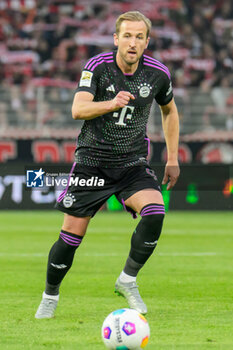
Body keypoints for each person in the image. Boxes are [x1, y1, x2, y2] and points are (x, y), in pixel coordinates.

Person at [35, 11, 180, 319]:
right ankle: (50, 295)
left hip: (132, 164)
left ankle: (127, 279)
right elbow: (78, 109)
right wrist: (111, 103)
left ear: (146, 42)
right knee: (71, 237)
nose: (133, 42)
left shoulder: (157, 74)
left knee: (155, 212)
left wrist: (172, 157)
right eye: (127, 35)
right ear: (116, 39)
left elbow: (170, 111)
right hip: (92, 164)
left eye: (139, 37)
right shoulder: (98, 68)